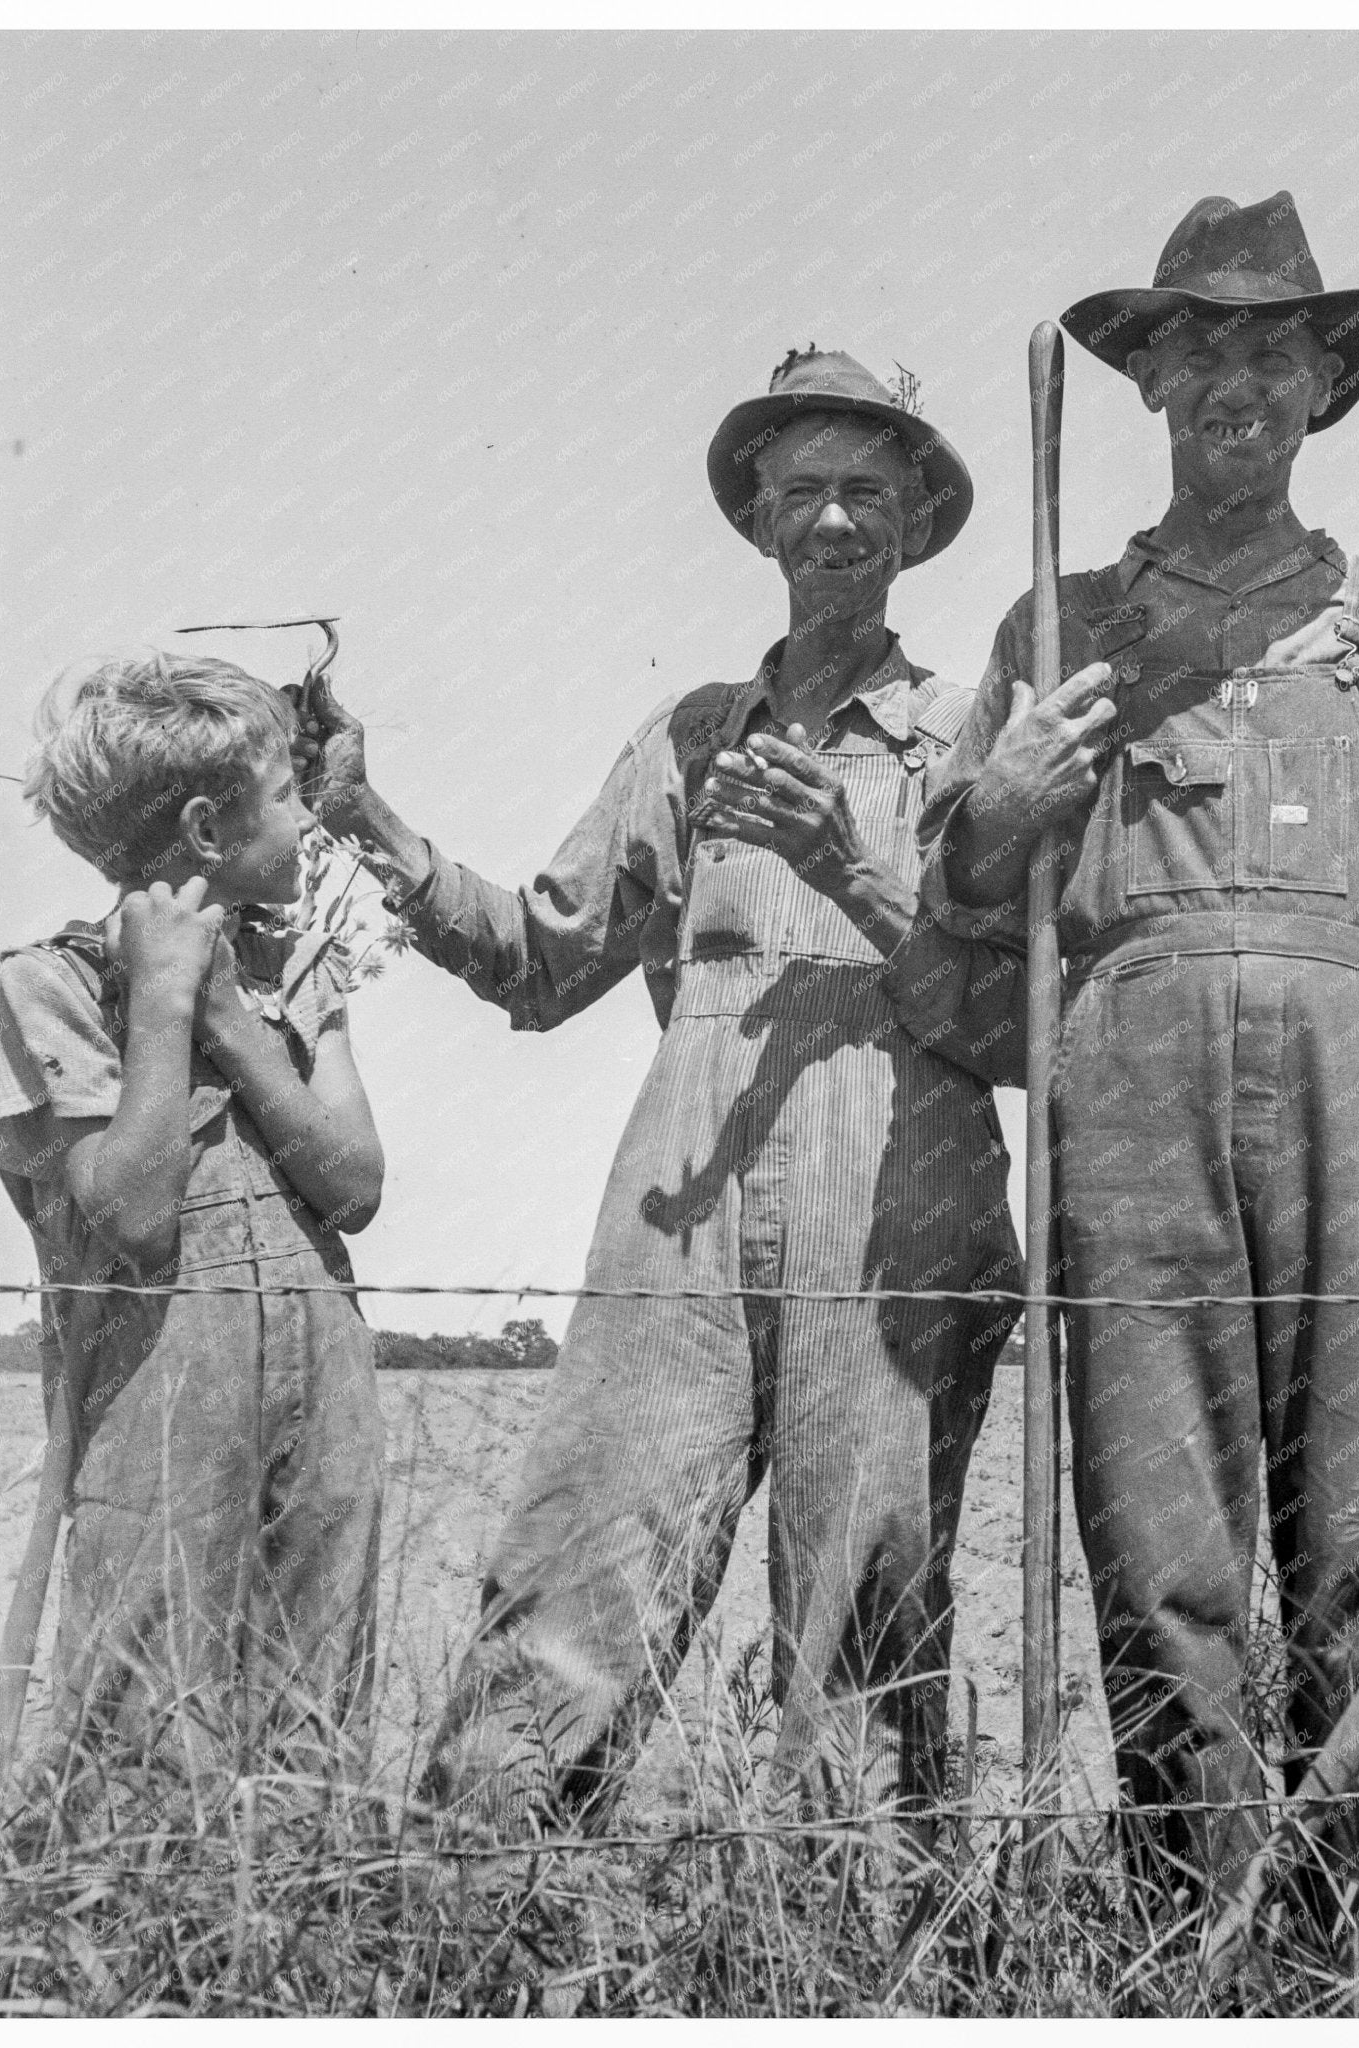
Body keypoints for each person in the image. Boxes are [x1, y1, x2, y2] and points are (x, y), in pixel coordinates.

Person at [301, 348, 1024, 1830]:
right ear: (757, 523)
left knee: (868, 1609)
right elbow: (538, 959)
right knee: (579, 1564)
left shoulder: (973, 734)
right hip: (679, 1199)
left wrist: (855, 869)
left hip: (903, 1199)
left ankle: (851, 1954)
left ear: (918, 519)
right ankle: (470, 1920)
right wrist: (362, 813)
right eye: (803, 491)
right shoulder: (691, 737)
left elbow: (1028, 1024)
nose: (834, 523)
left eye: (869, 493)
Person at [920, 193, 1359, 1908]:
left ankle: (1348, 1928)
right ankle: (1192, 1926)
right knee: (1159, 1530)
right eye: (1201, 353)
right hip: (1130, 1080)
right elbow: (961, 892)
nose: (1237, 382)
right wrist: (1002, 805)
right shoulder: (1057, 620)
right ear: (1149, 384)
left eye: (1274, 350)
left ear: (1322, 384)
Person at [0, 655, 387, 1778]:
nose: (310, 820)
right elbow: (136, 1214)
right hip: (155, 1384)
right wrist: (162, 1003)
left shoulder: (300, 965)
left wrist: (226, 1012)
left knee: (317, 1712)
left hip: (326, 1375)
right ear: (209, 827)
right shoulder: (47, 985)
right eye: (288, 797)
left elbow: (354, 1183)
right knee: (145, 1709)